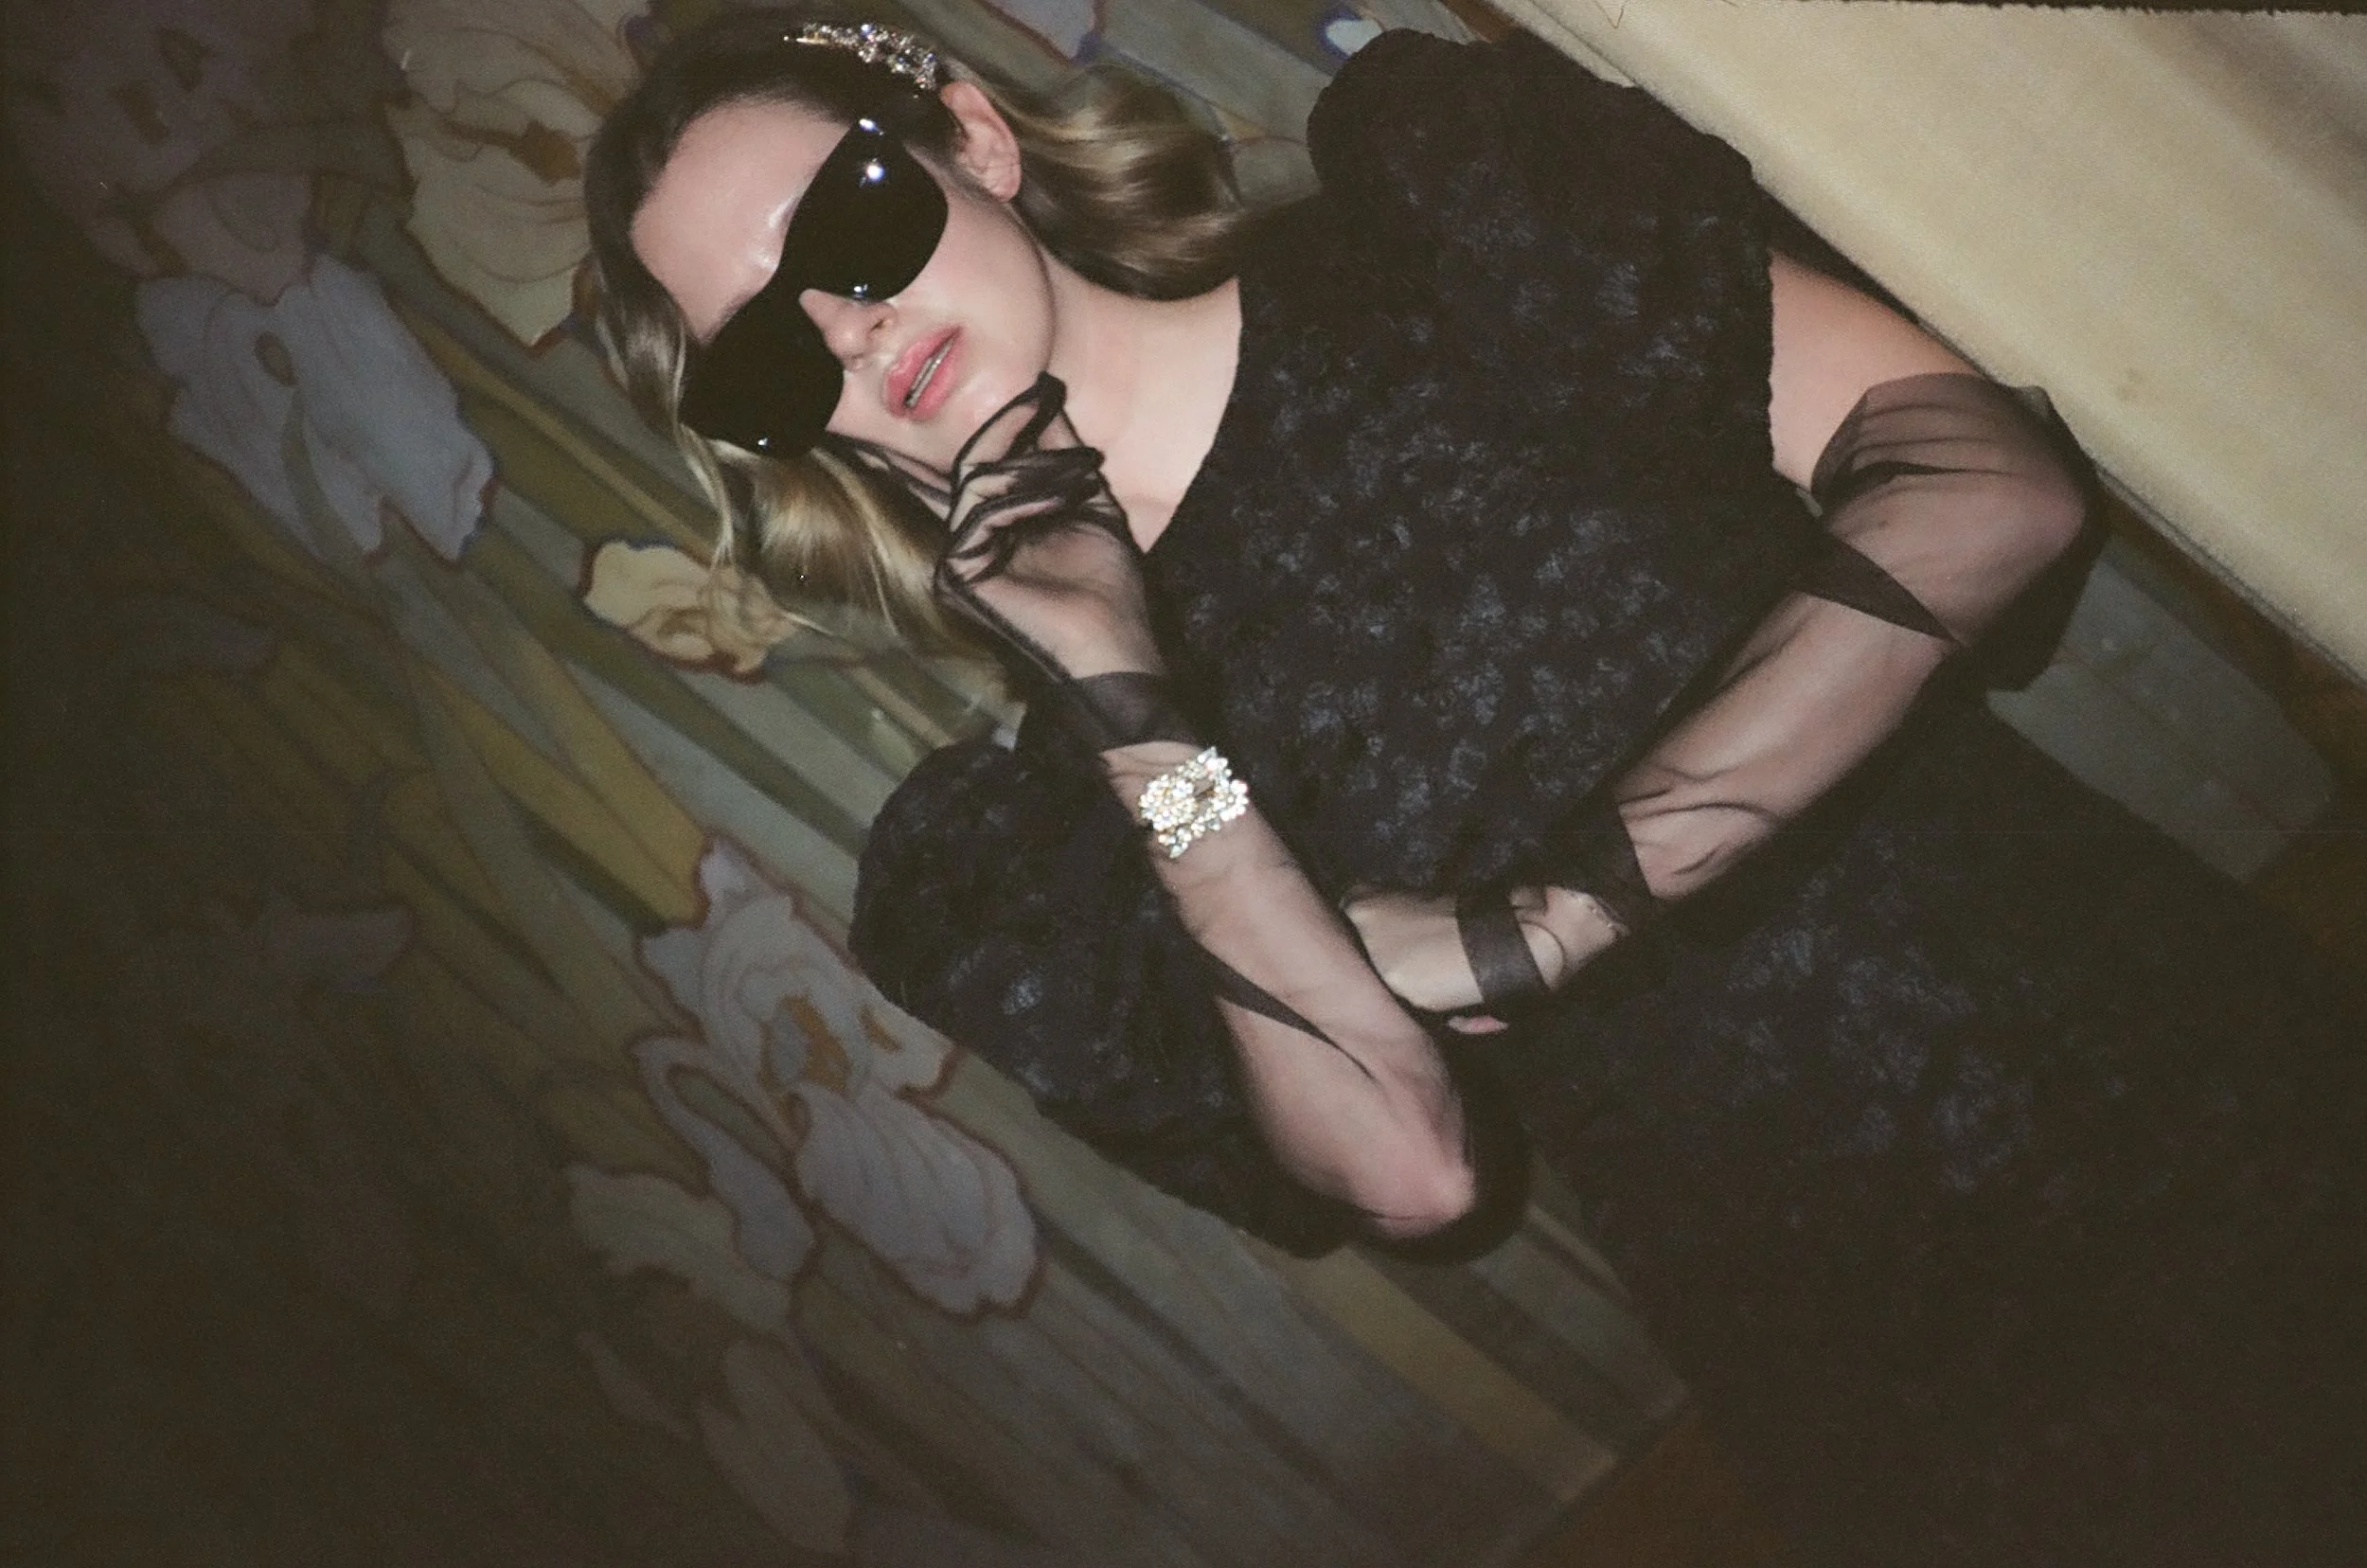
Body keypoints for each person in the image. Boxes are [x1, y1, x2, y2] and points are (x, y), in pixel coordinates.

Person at [586, 9, 2367, 1562]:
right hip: (1890, 1389)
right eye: (765, 351)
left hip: (2186, 1092)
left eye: (850, 224)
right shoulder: (1053, 830)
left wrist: (1543, 923)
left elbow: (1984, 490)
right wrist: (1131, 707)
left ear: (972, 137)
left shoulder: (1441, 231)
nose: (842, 325)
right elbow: (1410, 1169)